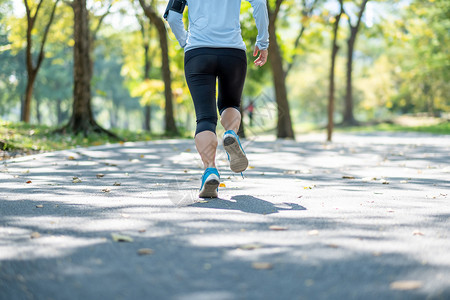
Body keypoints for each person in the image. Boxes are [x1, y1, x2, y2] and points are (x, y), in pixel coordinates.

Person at [164, 0, 269, 198]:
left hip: (198, 52)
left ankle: (210, 170)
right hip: (233, 52)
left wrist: (186, 43)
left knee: (205, 119)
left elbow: (173, 16)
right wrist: (263, 41)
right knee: (230, 104)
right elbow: (260, 3)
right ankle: (230, 133)